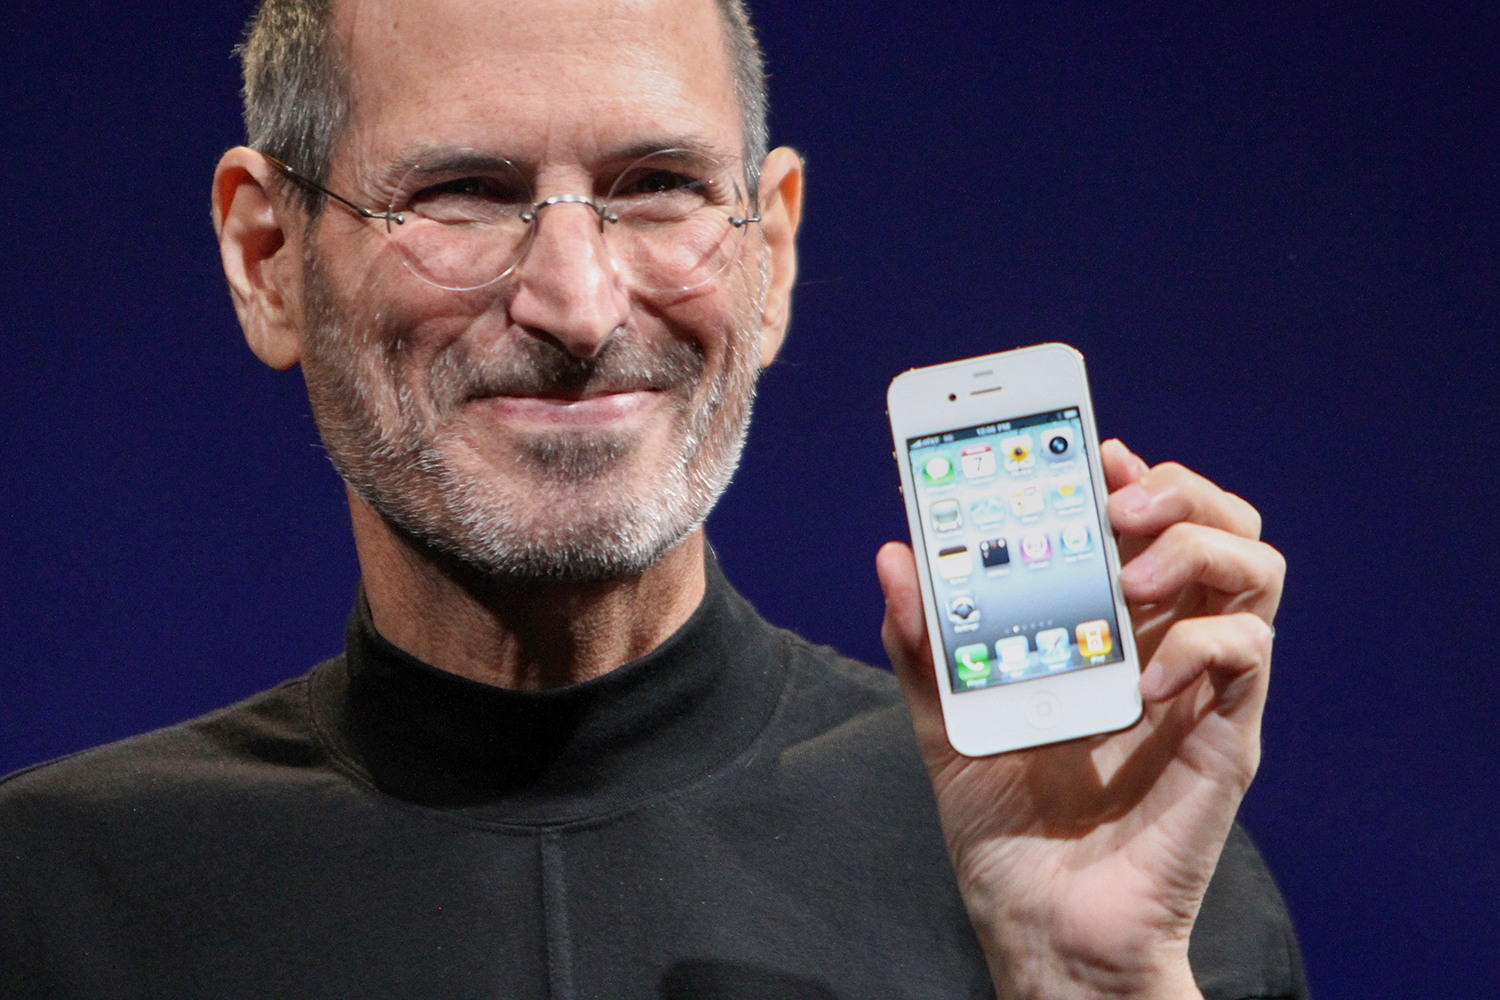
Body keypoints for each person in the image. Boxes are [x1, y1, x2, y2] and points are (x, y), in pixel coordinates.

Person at [0, 0, 1307, 997]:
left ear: (773, 254)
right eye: (461, 194)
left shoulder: (1112, 860)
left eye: (659, 189)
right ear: (266, 258)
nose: (575, 304)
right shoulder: (51, 904)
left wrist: (1092, 989)